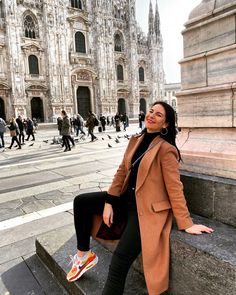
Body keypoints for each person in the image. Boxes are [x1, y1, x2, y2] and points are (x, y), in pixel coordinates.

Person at [67, 101, 214, 295]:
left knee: (118, 262)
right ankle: (83, 255)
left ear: (166, 124)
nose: (151, 115)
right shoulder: (136, 139)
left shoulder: (166, 150)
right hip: (126, 200)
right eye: (151, 111)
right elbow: (121, 172)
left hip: (146, 210)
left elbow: (175, 188)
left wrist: (186, 223)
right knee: (81, 201)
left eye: (159, 115)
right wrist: (109, 202)